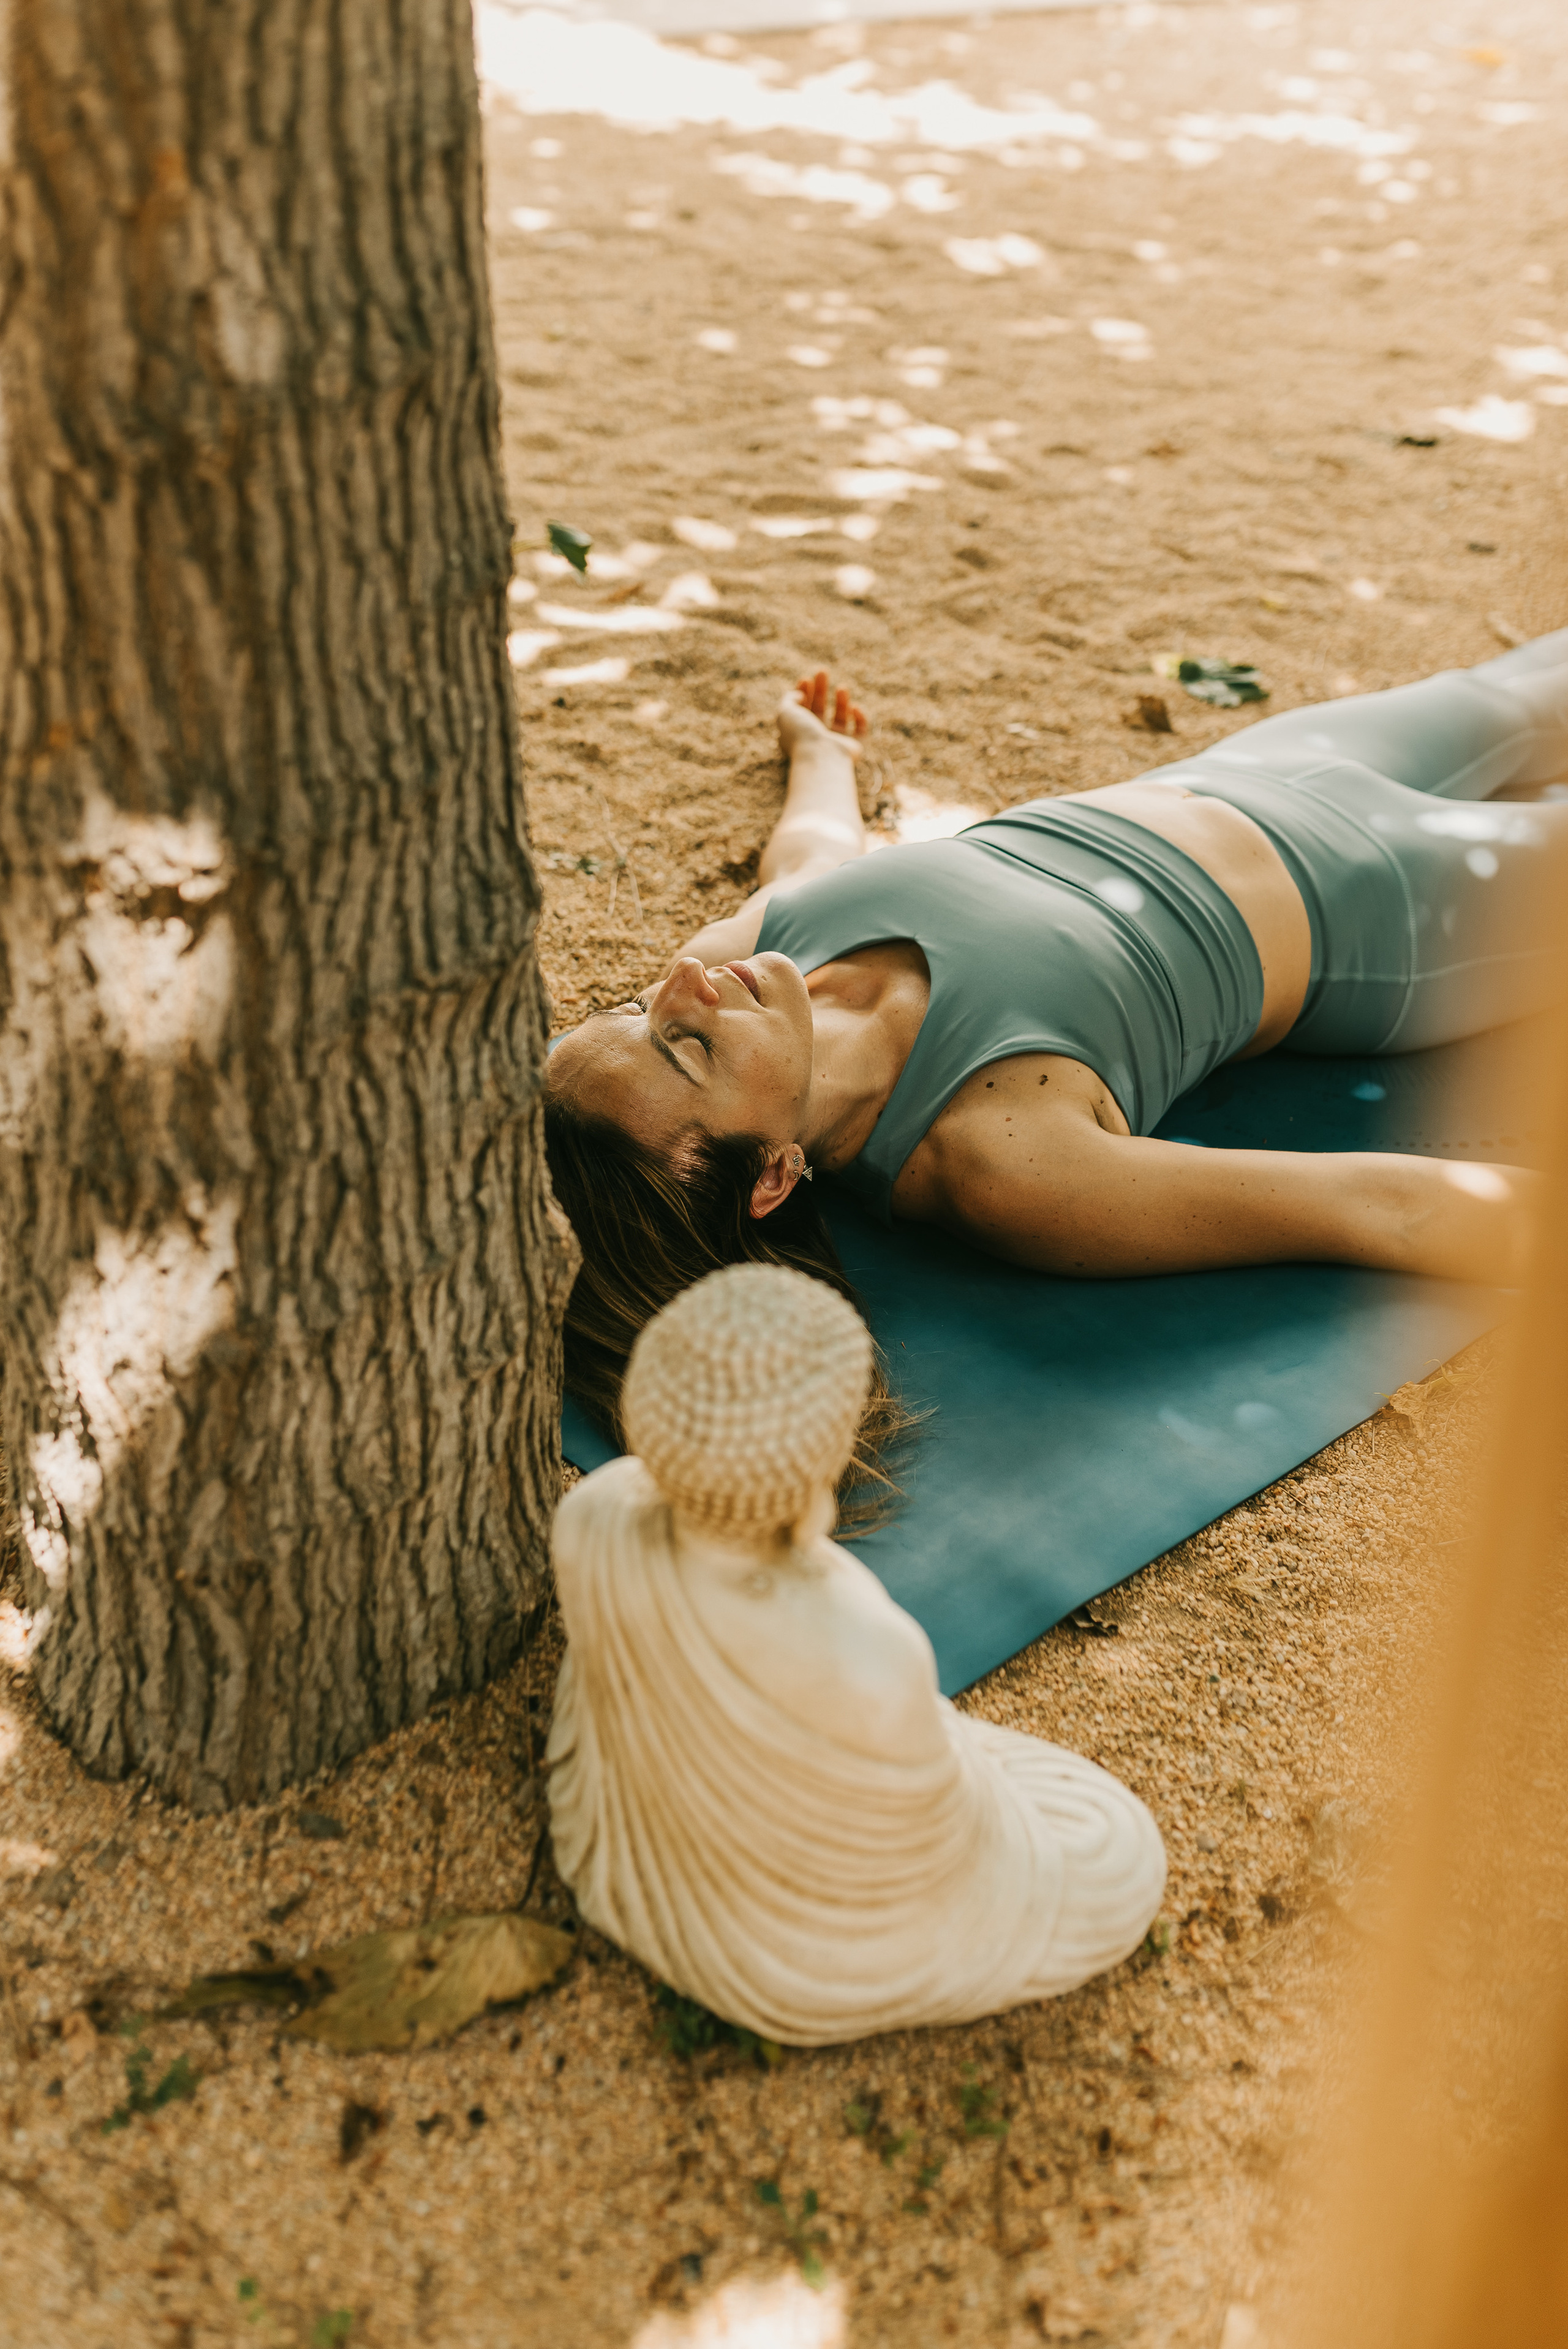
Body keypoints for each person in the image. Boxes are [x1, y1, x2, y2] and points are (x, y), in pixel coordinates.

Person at [546, 634, 1568, 1478]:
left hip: (1243, 774)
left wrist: (822, 755)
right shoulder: (991, 1157)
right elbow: (1384, 1205)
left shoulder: (742, 967)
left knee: (1523, 691)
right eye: (681, 1049)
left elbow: (812, 852)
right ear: (770, 1174)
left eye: (634, 1007)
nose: (681, 983)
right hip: (1394, 912)